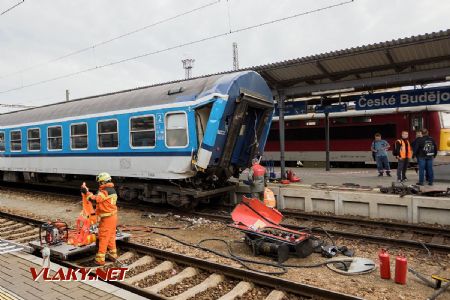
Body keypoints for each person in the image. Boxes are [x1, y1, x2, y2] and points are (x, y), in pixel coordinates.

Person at [81, 172, 118, 265]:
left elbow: (95, 199)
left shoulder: (105, 191)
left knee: (103, 237)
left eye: (100, 182)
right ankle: (113, 255)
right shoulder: (111, 189)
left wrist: (86, 192)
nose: (99, 184)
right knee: (111, 236)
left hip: (107, 218)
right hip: (112, 217)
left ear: (103, 182)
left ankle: (100, 259)